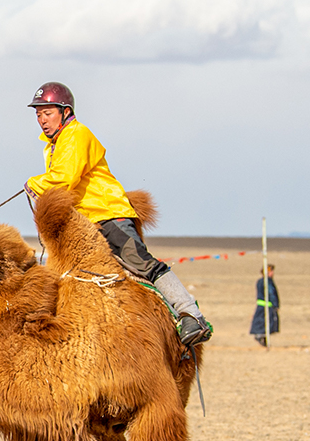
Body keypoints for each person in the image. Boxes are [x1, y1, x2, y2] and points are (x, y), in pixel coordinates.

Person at [23, 82, 213, 347]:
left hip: (107, 214)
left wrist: (34, 184)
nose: (42, 119)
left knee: (140, 263)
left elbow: (64, 179)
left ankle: (191, 314)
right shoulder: (52, 146)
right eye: (38, 114)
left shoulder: (76, 135)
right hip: (85, 223)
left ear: (65, 112)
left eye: (48, 112)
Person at [250, 264, 279, 347]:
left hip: (261, 305)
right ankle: (260, 336)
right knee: (266, 322)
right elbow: (271, 293)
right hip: (267, 305)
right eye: (271, 271)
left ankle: (263, 337)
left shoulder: (260, 281)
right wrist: (275, 304)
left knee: (263, 322)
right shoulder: (267, 282)